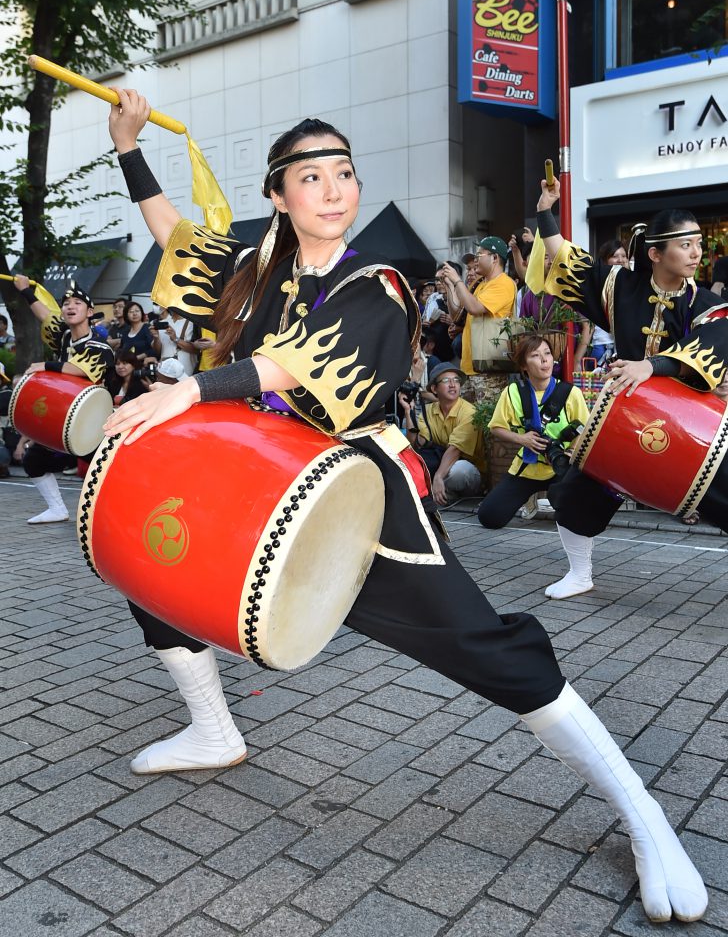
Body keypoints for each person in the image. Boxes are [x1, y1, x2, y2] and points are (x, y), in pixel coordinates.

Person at [100, 88, 707, 925]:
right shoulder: (257, 270)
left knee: (486, 649)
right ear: (279, 194)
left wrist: (191, 390)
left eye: (343, 171)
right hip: (256, 475)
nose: (334, 187)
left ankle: (642, 813)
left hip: (358, 493)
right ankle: (212, 730)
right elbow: (175, 238)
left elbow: (301, 365)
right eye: (311, 176)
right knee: (153, 560)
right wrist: (127, 145)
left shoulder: (376, 281)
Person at [530, 176, 728, 600]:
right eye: (685, 245)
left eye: (697, 244)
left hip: (686, 426)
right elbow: (563, 258)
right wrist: (545, 209)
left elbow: (709, 349)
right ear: (655, 253)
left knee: (722, 495)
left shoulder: (708, 307)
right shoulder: (620, 286)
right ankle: (580, 573)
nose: (696, 253)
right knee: (574, 492)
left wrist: (650, 365)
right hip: (624, 419)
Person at [12, 277, 114, 523]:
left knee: (107, 474)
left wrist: (44, 365)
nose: (70, 306)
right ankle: (58, 509)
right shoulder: (65, 337)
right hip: (66, 419)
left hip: (98, 425)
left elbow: (78, 369)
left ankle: (114, 518)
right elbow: (45, 316)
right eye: (66, 302)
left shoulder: (100, 347)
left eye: (77, 302)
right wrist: (26, 291)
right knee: (34, 460)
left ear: (90, 312)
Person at [477, 335, 588, 528]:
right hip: (527, 466)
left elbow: (585, 431)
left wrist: (568, 453)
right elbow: (496, 427)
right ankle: (530, 499)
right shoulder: (512, 392)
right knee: (489, 517)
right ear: (524, 366)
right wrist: (522, 439)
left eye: (547, 354)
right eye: (536, 355)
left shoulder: (570, 392)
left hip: (561, 465)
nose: (545, 360)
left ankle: (555, 499)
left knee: (577, 519)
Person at [400, 362, 485, 505]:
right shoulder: (428, 411)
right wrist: (408, 413)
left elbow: (455, 450)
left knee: (459, 471)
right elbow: (415, 445)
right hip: (441, 467)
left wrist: (438, 477)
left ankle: (435, 493)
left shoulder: (469, 412)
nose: (453, 385)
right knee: (409, 458)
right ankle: (439, 494)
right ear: (434, 388)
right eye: (446, 380)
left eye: (456, 380)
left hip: (468, 472)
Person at [440, 237, 517, 376]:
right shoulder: (480, 283)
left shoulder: (503, 283)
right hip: (471, 366)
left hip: (489, 368)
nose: (476, 260)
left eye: (479, 255)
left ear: (494, 258)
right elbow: (456, 316)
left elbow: (474, 308)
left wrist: (457, 280)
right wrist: (450, 285)